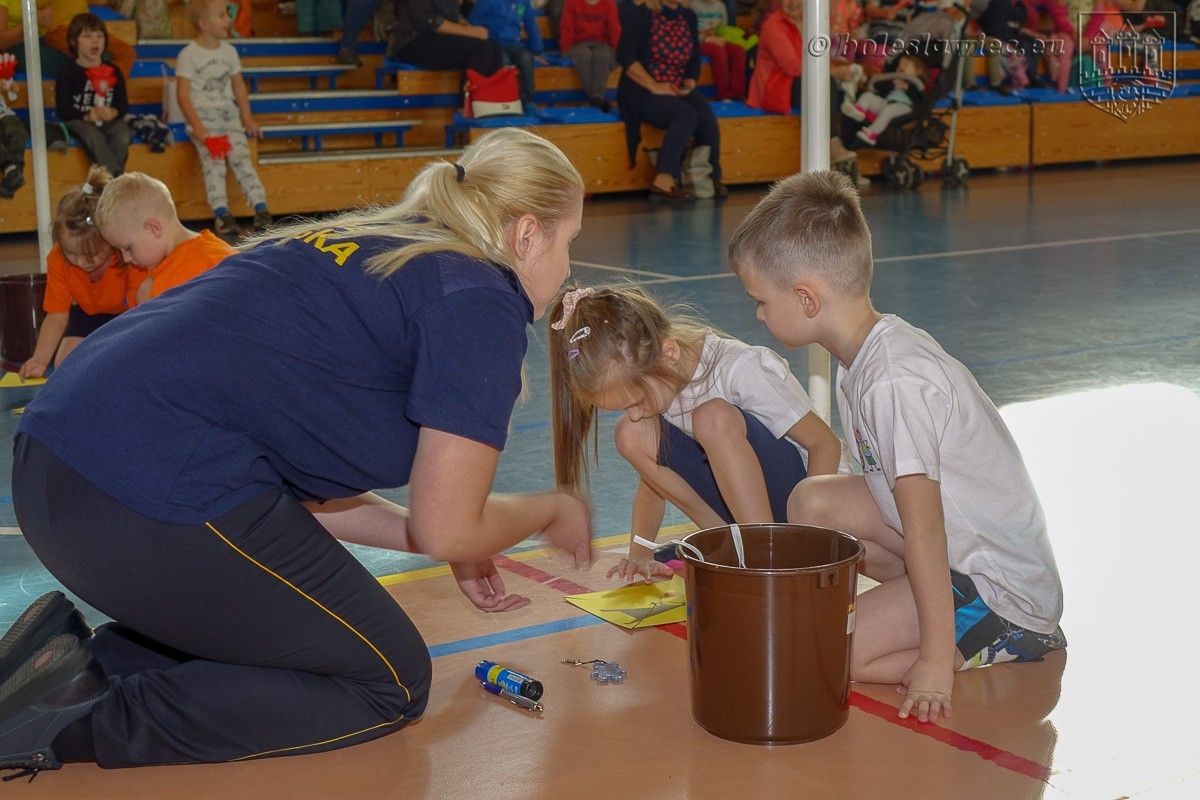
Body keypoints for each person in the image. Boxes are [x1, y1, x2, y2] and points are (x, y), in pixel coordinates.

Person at [0, 127, 592, 778]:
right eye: (570, 244)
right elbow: (447, 525)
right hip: (139, 497)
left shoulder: (370, 250)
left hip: (59, 470)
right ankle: (77, 720)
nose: (567, 267)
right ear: (527, 235)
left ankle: (64, 665)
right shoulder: (480, 296)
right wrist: (547, 509)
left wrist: (442, 533)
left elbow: (317, 498)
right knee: (387, 680)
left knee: (307, 630)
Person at [727, 170, 1066, 723]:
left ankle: (978, 640)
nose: (759, 314)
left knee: (838, 652)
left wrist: (932, 662)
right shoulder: (863, 353)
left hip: (999, 588)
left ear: (807, 298)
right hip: (952, 554)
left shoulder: (892, 381)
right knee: (812, 502)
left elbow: (926, 529)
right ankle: (926, 614)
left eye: (760, 300)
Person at [548, 284, 843, 583]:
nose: (635, 413)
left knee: (712, 417)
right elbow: (652, 486)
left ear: (669, 353)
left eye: (636, 403)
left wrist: (808, 540)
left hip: (805, 502)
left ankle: (763, 553)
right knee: (630, 433)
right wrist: (640, 551)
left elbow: (826, 445)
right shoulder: (662, 382)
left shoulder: (741, 370)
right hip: (752, 513)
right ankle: (727, 543)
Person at [20, 167, 146, 378]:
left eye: (92, 254)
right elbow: (57, 315)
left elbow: (141, 312)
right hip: (88, 314)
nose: (80, 262)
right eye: (71, 252)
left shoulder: (129, 257)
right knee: (64, 363)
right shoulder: (57, 258)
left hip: (127, 315)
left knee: (124, 359)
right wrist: (39, 359)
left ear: (112, 240)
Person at [176, 0, 273, 237]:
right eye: (222, 15)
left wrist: (247, 119)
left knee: (242, 159)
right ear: (204, 23)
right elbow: (183, 95)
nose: (228, 20)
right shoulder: (188, 54)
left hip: (229, 117)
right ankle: (222, 214)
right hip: (205, 120)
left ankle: (261, 209)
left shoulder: (229, 51)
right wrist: (200, 130)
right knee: (214, 164)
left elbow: (239, 88)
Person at [617, 0, 727, 200]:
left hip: (675, 86)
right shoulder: (641, 14)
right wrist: (654, 86)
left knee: (705, 115)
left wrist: (690, 81)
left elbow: (694, 58)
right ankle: (663, 180)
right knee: (685, 114)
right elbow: (625, 56)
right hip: (641, 89)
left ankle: (710, 177)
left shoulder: (688, 16)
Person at [747, 0, 861, 169]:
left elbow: (818, 58)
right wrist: (833, 72)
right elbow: (792, 67)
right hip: (773, 88)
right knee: (825, 83)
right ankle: (831, 143)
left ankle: (841, 145)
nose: (793, 3)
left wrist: (841, 70)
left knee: (840, 87)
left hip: (793, 82)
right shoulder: (774, 26)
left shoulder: (807, 21)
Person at [95, 171, 236, 302]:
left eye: (127, 248)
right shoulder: (215, 249)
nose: (126, 259)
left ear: (154, 229)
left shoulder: (210, 263)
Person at [54, 13, 131, 177]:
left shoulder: (114, 70)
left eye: (99, 36)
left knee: (123, 132)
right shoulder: (67, 72)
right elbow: (63, 108)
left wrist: (113, 112)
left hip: (108, 121)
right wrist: (87, 115)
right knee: (92, 134)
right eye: (87, 36)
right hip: (80, 121)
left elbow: (122, 104)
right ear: (74, 41)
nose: (95, 41)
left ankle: (106, 182)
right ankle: (115, 178)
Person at [384, 0, 506, 79]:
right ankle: (469, 104)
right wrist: (471, 32)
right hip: (413, 42)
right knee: (482, 49)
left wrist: (470, 28)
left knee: (494, 48)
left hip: (439, 38)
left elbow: (454, 17)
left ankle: (488, 104)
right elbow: (430, 22)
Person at [469, 0, 547, 111]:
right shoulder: (487, 1)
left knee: (526, 59)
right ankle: (505, 101)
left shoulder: (523, 3)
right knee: (503, 62)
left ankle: (528, 102)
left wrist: (538, 51)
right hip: (492, 44)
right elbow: (474, 22)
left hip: (514, 44)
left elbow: (531, 25)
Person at [843, 53, 927, 145]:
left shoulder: (917, 84)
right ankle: (857, 110)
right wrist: (867, 80)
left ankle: (872, 133)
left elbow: (920, 99)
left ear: (918, 71)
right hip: (886, 103)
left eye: (906, 65)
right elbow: (879, 88)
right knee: (868, 96)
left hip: (904, 107)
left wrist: (907, 86)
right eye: (899, 65)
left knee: (890, 110)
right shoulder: (893, 80)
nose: (901, 67)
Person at [558, 0, 621, 111]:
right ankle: (596, 98)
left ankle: (596, 97)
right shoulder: (572, 2)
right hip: (578, 44)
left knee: (603, 55)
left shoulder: (609, 3)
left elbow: (614, 28)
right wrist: (565, 49)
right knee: (584, 55)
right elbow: (566, 27)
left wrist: (619, 50)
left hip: (602, 44)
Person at [690, 0, 747, 100]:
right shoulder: (694, 6)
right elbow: (690, 33)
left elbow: (722, 28)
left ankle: (736, 92)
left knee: (738, 51)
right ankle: (723, 93)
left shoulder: (720, 6)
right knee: (719, 52)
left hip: (716, 39)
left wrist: (722, 37)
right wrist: (706, 39)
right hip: (699, 42)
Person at [0, 51, 26, 199]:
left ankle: (14, 174)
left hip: (3, 115)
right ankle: (11, 170)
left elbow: (12, 97)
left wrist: (10, 89)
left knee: (15, 129)